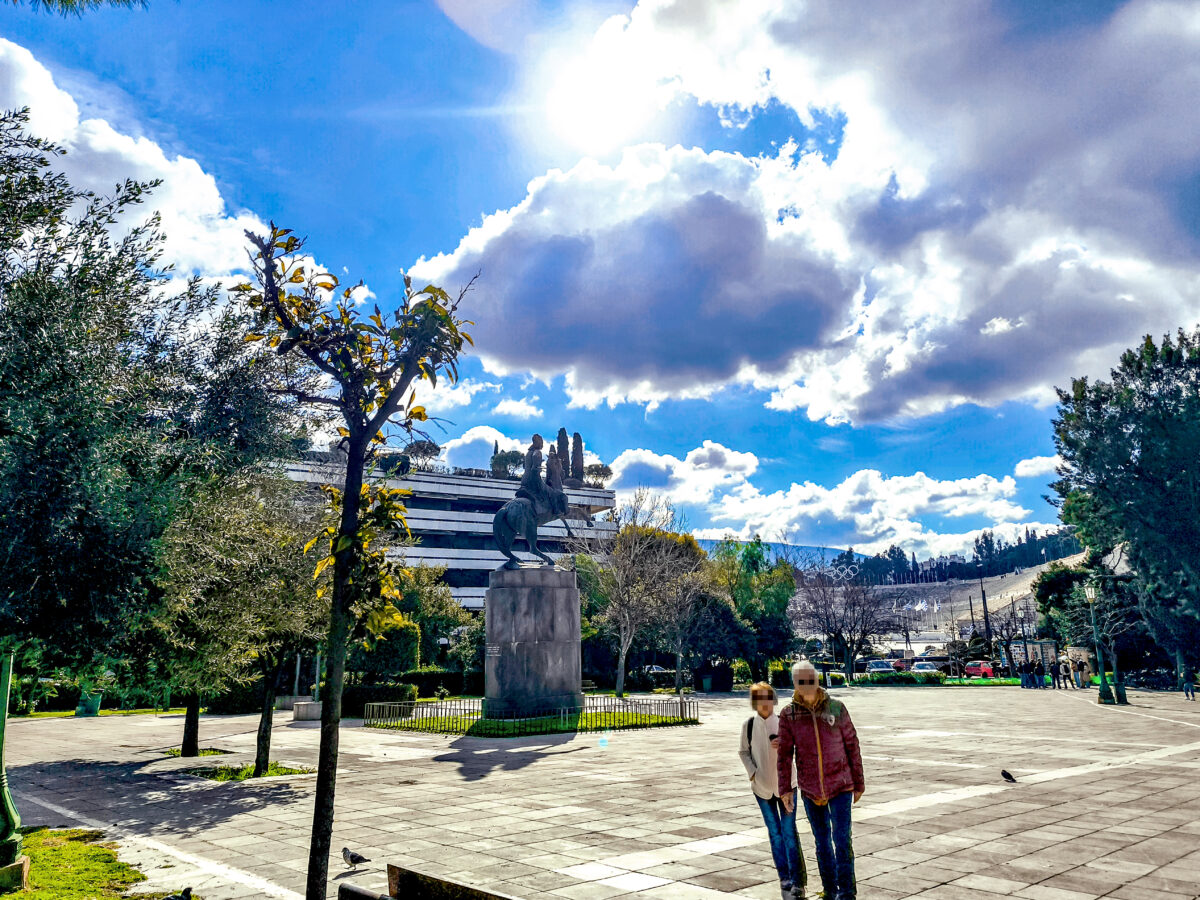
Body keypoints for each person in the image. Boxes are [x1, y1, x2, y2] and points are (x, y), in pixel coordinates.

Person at [778, 661, 864, 900]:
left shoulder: (836, 707)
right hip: (810, 788)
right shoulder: (789, 714)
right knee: (822, 842)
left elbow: (852, 745)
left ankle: (846, 893)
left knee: (842, 840)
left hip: (840, 784)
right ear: (795, 683)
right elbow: (784, 754)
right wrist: (785, 789)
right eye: (801, 681)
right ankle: (829, 889)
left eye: (811, 680)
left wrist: (859, 782)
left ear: (817, 680)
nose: (807, 685)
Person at [739, 683, 806, 900]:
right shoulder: (749, 725)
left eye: (768, 698)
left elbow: (800, 746)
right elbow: (743, 752)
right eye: (759, 698)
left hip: (787, 786)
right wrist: (753, 773)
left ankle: (798, 880)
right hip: (762, 789)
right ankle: (784, 876)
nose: (764, 703)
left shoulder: (784, 722)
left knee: (788, 832)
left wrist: (785, 744)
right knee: (775, 833)